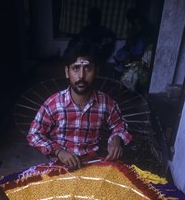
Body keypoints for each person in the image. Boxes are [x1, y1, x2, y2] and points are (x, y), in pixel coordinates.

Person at [27, 38, 132, 169]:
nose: (81, 76)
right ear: (67, 72)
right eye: (76, 68)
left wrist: (117, 138)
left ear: (96, 72)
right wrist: (59, 152)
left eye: (87, 68)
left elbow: (119, 124)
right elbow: (34, 134)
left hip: (93, 163)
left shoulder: (106, 103)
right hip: (60, 165)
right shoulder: (53, 104)